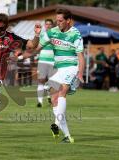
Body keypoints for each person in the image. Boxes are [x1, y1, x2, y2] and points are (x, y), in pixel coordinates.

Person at [37, 8, 84, 143]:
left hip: (71, 67)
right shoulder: (52, 32)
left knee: (63, 90)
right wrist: (35, 38)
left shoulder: (75, 33)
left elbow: (81, 56)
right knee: (54, 100)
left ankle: (56, 124)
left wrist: (80, 73)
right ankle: (67, 136)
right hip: (58, 69)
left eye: (60, 21)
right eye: (56, 20)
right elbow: (36, 47)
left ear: (68, 20)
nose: (58, 23)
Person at [36, 19, 55, 108]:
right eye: (46, 24)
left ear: (52, 25)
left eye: (49, 24)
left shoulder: (56, 34)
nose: (48, 26)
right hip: (42, 60)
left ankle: (49, 97)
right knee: (41, 80)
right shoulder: (41, 35)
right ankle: (39, 102)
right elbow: (36, 45)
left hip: (53, 61)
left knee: (51, 81)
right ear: (45, 25)